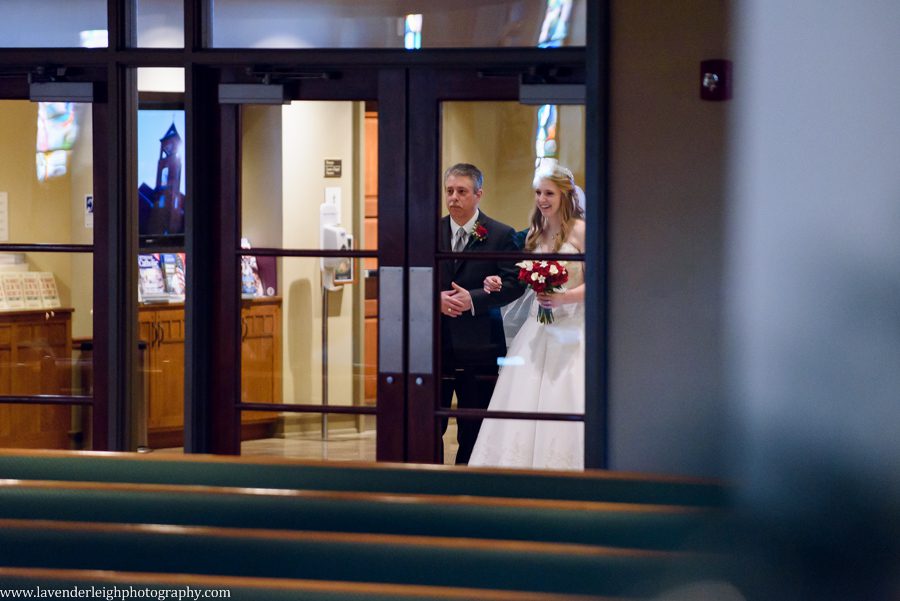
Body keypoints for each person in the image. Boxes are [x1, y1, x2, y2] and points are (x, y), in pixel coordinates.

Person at [469, 164, 586, 470]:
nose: (542, 199)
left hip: (572, 325)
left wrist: (564, 298)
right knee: (522, 397)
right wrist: (495, 282)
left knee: (565, 393)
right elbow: (521, 280)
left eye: (549, 193)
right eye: (538, 193)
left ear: (565, 195)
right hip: (538, 327)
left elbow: (599, 279)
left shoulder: (581, 230)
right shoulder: (535, 233)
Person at [439, 163, 525, 464]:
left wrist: (473, 299)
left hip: (480, 345)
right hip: (436, 343)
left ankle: (466, 486)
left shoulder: (501, 234)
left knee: (472, 425)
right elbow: (412, 278)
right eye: (449, 191)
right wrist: (434, 300)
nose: (453, 198)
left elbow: (515, 284)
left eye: (461, 191)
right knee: (429, 421)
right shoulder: (429, 231)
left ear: (479, 194)